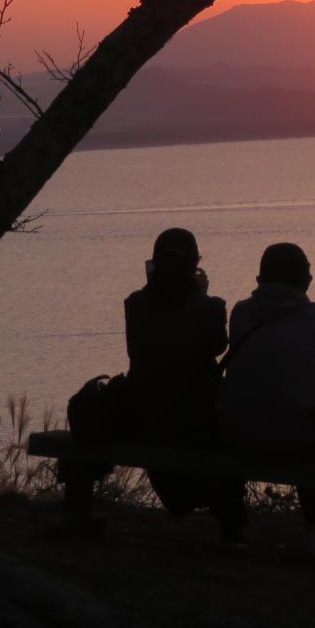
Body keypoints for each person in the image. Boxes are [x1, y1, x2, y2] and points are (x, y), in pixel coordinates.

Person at [218, 242, 315, 557]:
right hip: (298, 440)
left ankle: (232, 529)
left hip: (239, 436)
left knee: (256, 406)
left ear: (260, 280)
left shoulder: (241, 313)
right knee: (307, 417)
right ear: (305, 281)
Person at [122, 227, 245, 541]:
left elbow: (137, 351)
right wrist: (201, 295)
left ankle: (190, 502)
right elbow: (218, 346)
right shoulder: (210, 307)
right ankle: (230, 520)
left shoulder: (134, 304)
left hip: (145, 419)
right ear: (195, 265)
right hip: (196, 421)